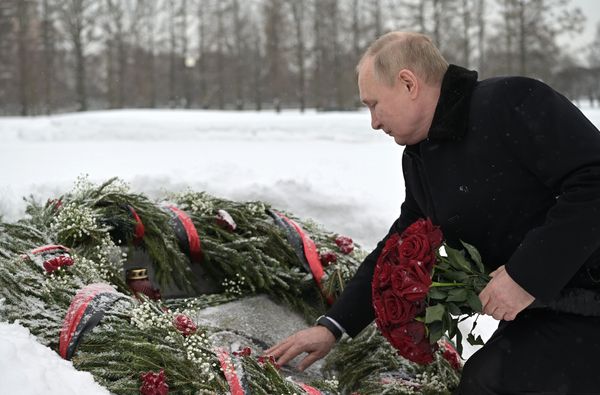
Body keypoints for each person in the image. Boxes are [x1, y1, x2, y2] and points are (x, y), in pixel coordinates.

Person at [266, 31, 600, 394]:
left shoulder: (511, 102)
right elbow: (399, 243)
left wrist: (525, 275)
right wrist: (333, 326)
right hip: (542, 314)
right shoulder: (421, 157)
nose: (374, 122)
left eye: (374, 104)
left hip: (588, 306)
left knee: (491, 381)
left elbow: (594, 182)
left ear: (408, 83)